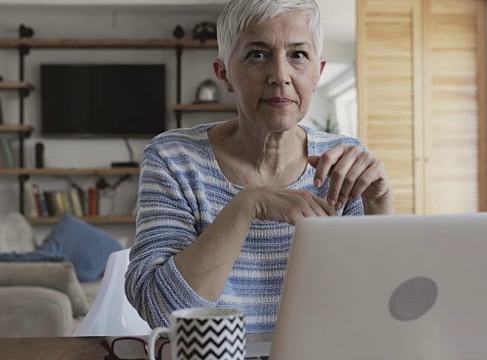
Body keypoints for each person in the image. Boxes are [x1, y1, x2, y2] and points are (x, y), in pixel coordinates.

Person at [125, 0, 394, 334]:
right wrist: (248, 205)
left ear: (317, 74)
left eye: (298, 55)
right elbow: (161, 312)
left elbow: (382, 305)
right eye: (257, 54)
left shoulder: (344, 160)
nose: (280, 76)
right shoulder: (174, 157)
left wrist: (379, 205)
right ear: (224, 74)